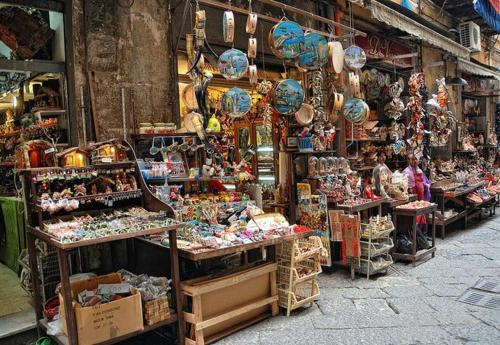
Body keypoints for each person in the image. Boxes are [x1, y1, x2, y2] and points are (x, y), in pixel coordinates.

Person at [403, 154, 431, 228]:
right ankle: (415, 232)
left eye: (416, 159)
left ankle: (422, 232)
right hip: (413, 195)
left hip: (421, 195)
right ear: (408, 161)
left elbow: (425, 182)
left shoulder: (419, 170)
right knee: (415, 215)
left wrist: (426, 186)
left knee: (423, 213)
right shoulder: (406, 171)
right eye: (412, 159)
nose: (414, 161)